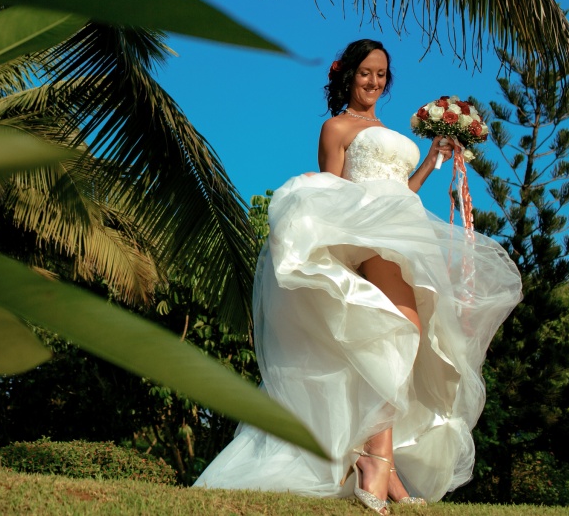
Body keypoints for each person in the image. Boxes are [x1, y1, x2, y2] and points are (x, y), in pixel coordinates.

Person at [194, 40, 522, 513]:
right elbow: (335, 191)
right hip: (368, 233)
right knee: (403, 330)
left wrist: (431, 159)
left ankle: (382, 464)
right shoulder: (336, 127)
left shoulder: (386, 130)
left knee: (403, 335)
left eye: (381, 74)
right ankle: (376, 462)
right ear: (348, 75)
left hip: (403, 228)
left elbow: (402, 190)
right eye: (366, 72)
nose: (374, 82)